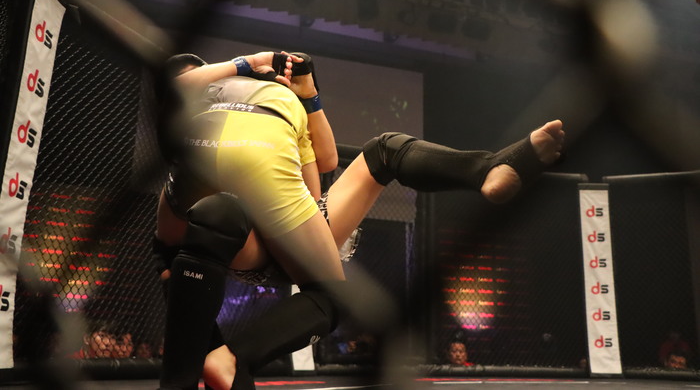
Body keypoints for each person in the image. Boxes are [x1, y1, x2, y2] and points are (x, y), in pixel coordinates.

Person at [155, 50, 565, 390]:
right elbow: (313, 185)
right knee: (329, 283)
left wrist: (306, 96)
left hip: (236, 220)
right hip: (260, 218)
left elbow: (322, 169)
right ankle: (487, 167)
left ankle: (194, 374)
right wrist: (251, 66)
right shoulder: (251, 94)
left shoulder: (233, 105)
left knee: (193, 241)